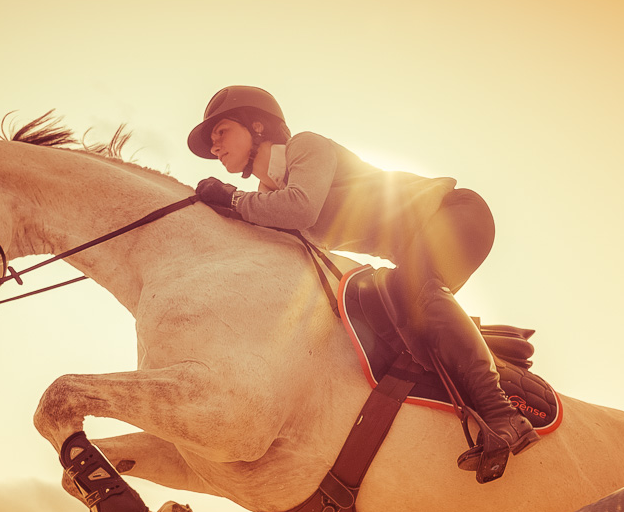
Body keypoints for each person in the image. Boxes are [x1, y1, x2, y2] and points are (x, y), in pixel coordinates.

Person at [187, 85, 539, 478]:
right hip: (415, 244)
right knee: (397, 315)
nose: (215, 147)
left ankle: (505, 416)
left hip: (455, 212)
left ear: (258, 126)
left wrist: (233, 201)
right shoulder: (268, 195)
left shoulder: (306, 145)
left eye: (221, 132)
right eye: (213, 141)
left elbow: (300, 209)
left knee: (416, 289)